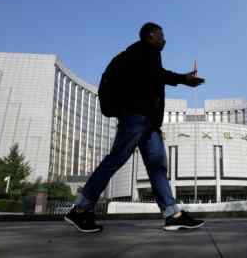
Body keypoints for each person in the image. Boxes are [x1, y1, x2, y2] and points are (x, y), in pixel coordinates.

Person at [65, 22, 206, 233]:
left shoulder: (140, 53)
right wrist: (184, 79)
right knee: (116, 159)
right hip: (137, 118)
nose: (164, 40)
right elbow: (159, 75)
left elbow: (155, 76)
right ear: (150, 35)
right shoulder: (144, 50)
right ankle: (81, 209)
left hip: (148, 123)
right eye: (161, 35)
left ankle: (172, 214)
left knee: (157, 167)